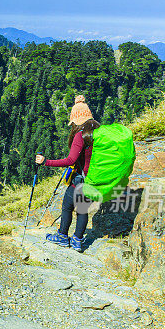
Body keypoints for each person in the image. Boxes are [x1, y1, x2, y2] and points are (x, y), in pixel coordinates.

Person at [35, 95, 100, 252]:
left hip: (80, 179)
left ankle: (63, 236)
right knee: (82, 210)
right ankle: (78, 241)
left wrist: (46, 162)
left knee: (67, 206)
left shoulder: (80, 135)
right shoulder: (99, 130)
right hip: (94, 178)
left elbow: (70, 160)